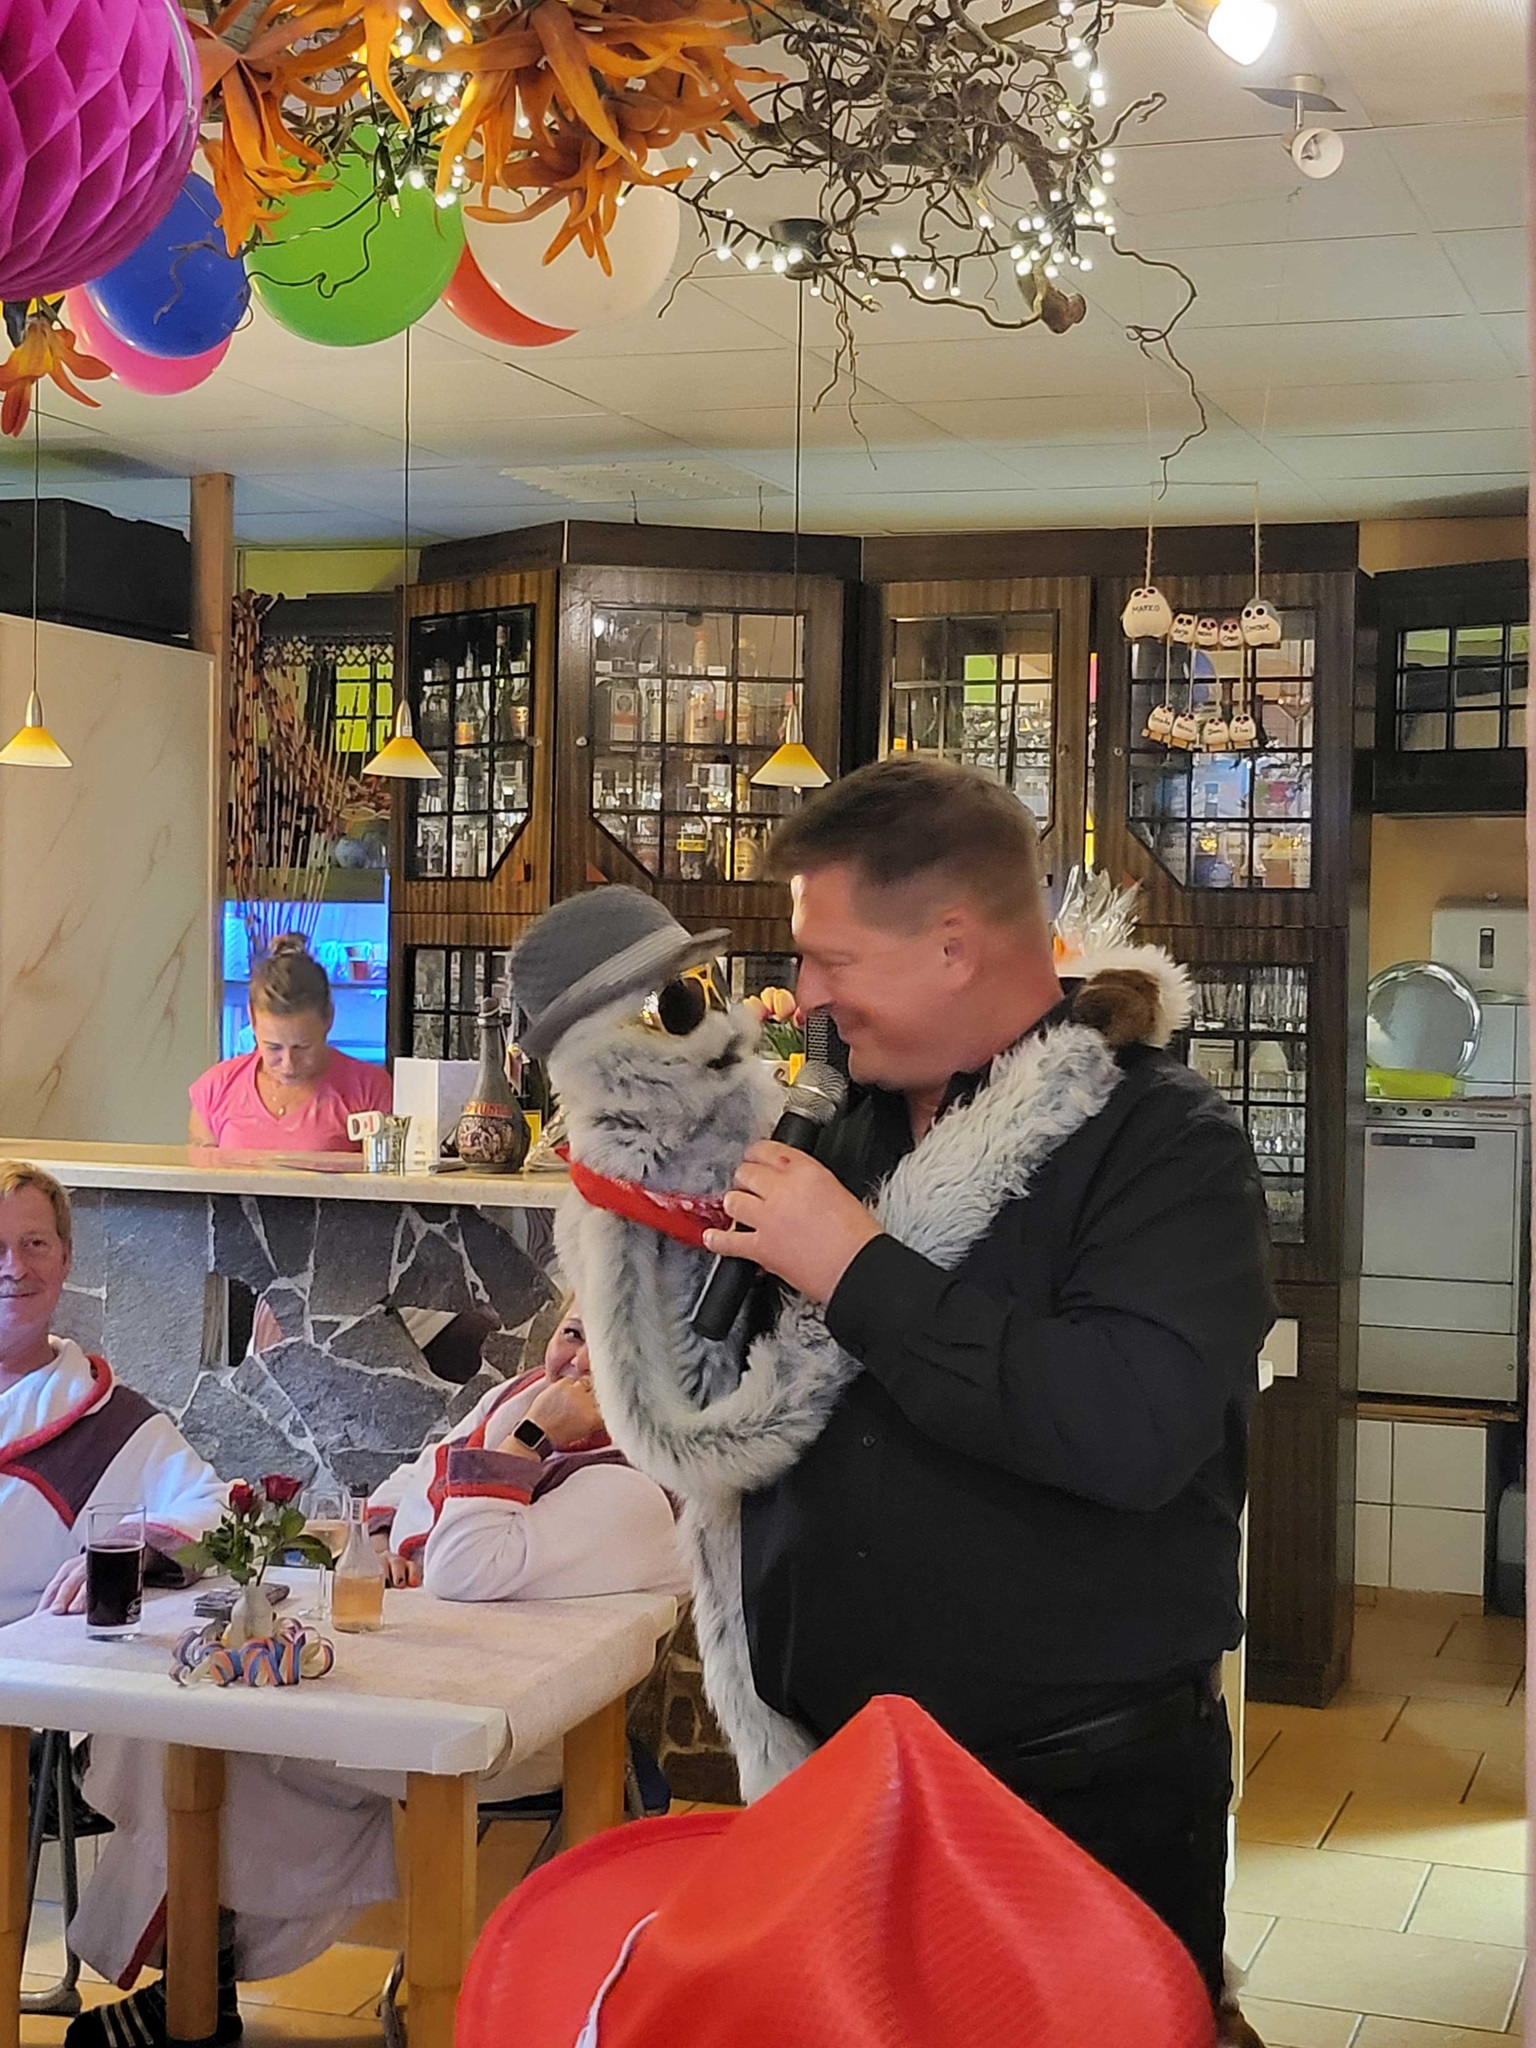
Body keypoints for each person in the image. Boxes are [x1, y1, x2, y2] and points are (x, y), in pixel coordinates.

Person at [688, 759, 1273, 2018]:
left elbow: (1132, 1427)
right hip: (832, 1784)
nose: (806, 994)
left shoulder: (1167, 1143)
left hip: (1075, 1801)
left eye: (832, 958)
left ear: (954, 944)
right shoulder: (839, 1125)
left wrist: (858, 1269)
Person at [68, 1300, 687, 2048]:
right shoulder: (512, 1398)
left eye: (613, 1347)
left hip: (525, 1729)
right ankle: (202, 1983)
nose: (578, 1364)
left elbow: (464, 1564)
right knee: (190, 1718)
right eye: (572, 1334)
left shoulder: (634, 1487)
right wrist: (389, 1537)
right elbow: (410, 1481)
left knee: (218, 1734)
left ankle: (202, 1984)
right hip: (427, 1679)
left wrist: (527, 1439)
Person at [189, 931, 490, 1383]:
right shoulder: (217, 1088)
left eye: (302, 1047)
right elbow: (197, 1187)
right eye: (272, 1049)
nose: (287, 1063)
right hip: (239, 1275)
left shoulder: (367, 1088)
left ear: (329, 1019)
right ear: (251, 1020)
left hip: (342, 1267)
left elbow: (396, 1197)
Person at [0, 1162, 225, 1627]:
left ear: (66, 1258)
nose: (15, 1268)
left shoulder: (110, 1425)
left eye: (35, 1244)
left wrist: (135, 1546)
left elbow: (218, 1510)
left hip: (25, 1662)